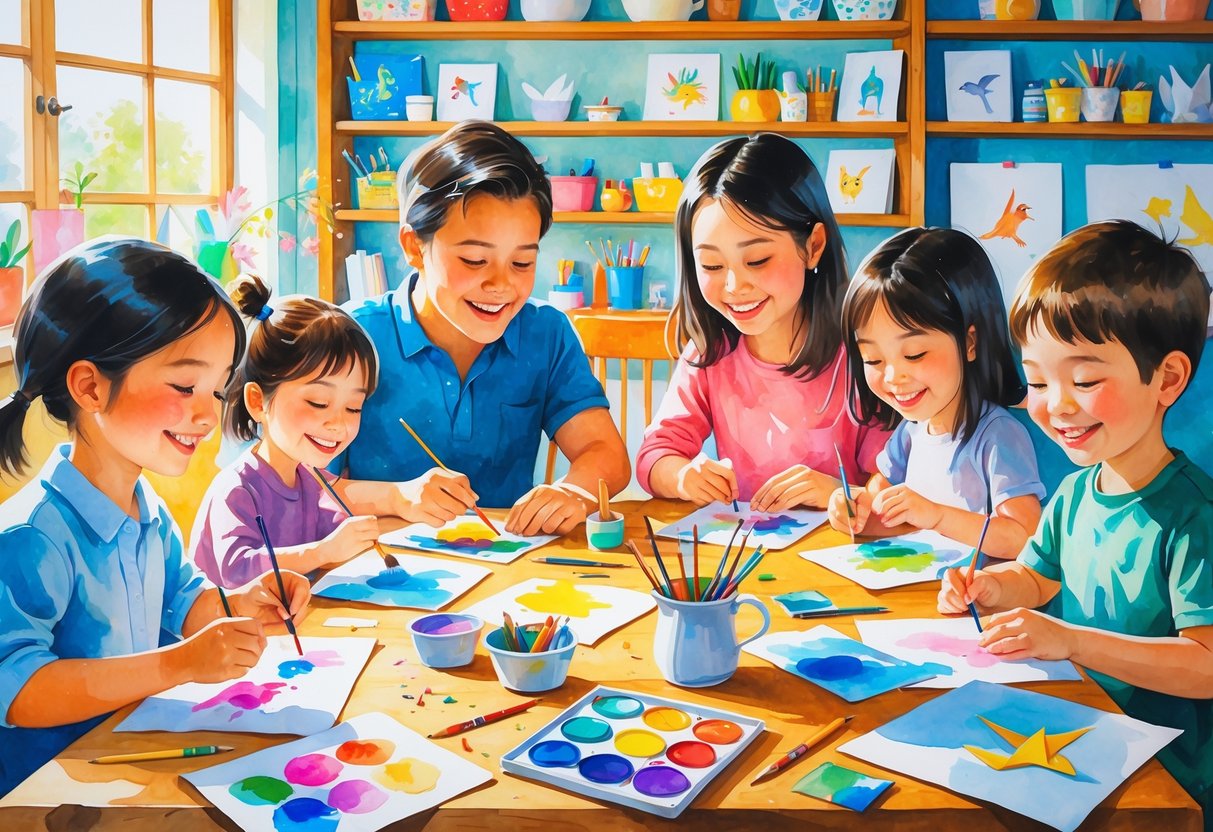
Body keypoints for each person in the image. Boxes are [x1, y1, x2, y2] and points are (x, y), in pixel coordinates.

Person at [0, 239, 310, 795]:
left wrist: (238, 606)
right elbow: (19, 690)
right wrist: (179, 666)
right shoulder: (33, 536)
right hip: (50, 797)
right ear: (90, 386)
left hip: (129, 763)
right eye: (185, 386)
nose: (207, 414)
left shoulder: (147, 510)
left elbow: (180, 599)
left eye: (217, 391)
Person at [937, 221, 1213, 826]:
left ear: (1167, 379)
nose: (1055, 404)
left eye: (1084, 380)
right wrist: (989, 586)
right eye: (1037, 380)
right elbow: (1037, 579)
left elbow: (1206, 665)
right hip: (1087, 739)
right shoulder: (1075, 493)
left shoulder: (1195, 518)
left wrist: (1072, 642)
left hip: (1169, 781)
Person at [331, 121, 630, 537]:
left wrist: (573, 491)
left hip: (509, 575)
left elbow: (606, 454)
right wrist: (395, 497)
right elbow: (297, 485)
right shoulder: (348, 339)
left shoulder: (546, 334)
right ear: (414, 246)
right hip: (383, 576)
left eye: (522, 263)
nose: (502, 285)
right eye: (474, 260)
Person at [636, 133, 888, 510]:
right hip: (746, 555)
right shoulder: (709, 352)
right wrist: (683, 477)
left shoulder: (863, 352)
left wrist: (839, 495)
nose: (735, 286)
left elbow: (894, 478)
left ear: (813, 246)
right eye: (712, 266)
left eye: (757, 261)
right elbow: (655, 455)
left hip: (841, 556)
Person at [826, 227, 1044, 558]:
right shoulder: (911, 432)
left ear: (970, 342)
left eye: (914, 354)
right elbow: (883, 502)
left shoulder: (998, 434)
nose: (893, 376)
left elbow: (1023, 537)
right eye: (873, 358)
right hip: (921, 594)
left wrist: (937, 515)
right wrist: (855, 509)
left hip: (979, 604)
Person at [190, 274, 382, 588]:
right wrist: (322, 552)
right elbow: (237, 568)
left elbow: (337, 529)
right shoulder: (236, 489)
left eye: (354, 408)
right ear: (257, 401)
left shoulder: (309, 479)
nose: (339, 424)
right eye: (319, 402)